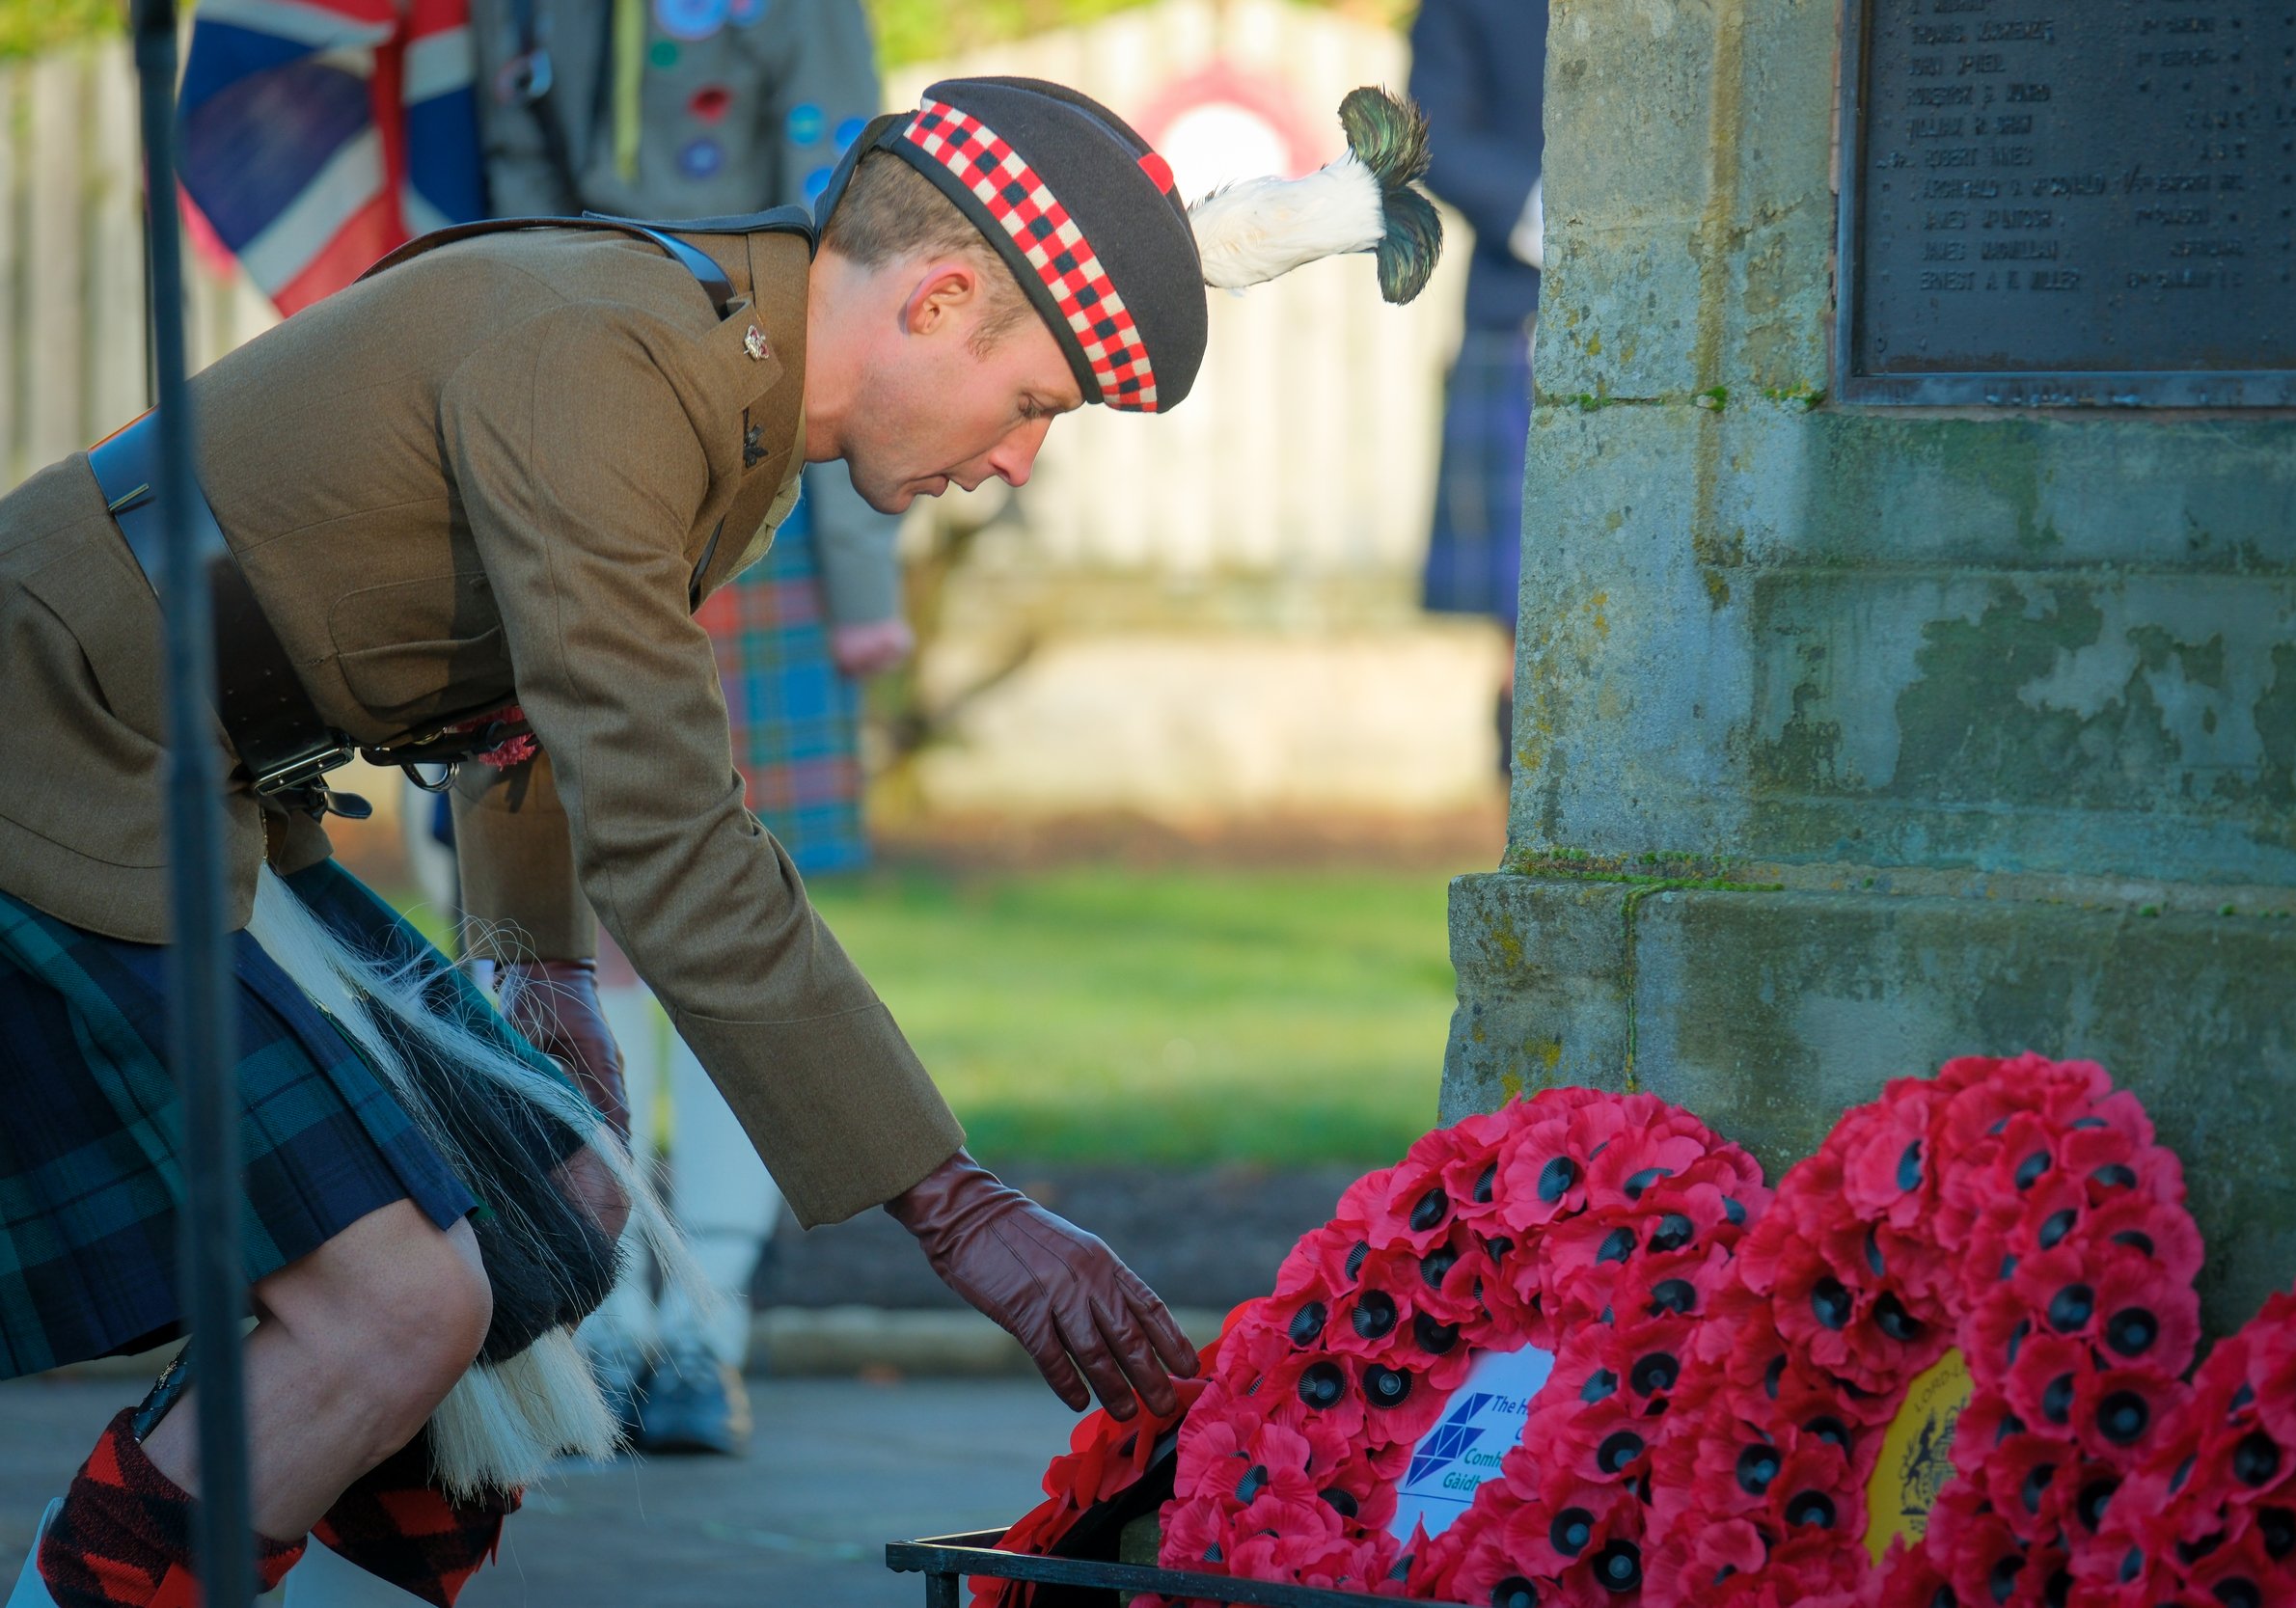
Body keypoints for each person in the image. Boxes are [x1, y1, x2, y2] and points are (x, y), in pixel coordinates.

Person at [0, 75, 1439, 1608]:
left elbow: (525, 694)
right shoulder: (621, 358)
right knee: (399, 1307)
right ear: (942, 299)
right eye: (1033, 404)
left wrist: (533, 964)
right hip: (67, 739)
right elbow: (676, 836)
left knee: (562, 1191)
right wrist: (956, 1201)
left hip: (174, 759)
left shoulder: (712, 378)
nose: (1019, 462)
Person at [463, 0, 912, 1456]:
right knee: (562, 928)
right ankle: (599, 1314)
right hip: (565, 453)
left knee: (723, 912)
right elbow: (514, 235)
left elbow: (855, 279)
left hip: (752, 451)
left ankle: (704, 1318)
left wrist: (862, 570)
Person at [1408, 0, 1547, 773]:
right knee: (1529, 607)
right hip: (1522, 306)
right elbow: (1434, 135)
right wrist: (1549, 215)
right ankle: (1530, 838)